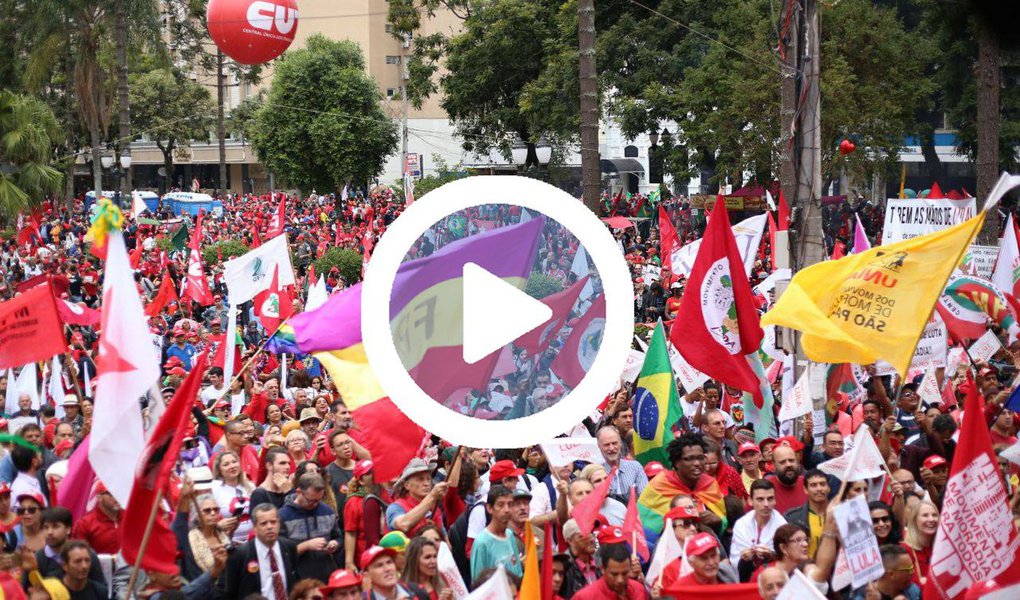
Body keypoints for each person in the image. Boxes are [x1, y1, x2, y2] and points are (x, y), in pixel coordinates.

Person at [215, 503, 300, 600]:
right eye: (264, 523)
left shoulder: (289, 547)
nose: (269, 527)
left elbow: (295, 582)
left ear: (279, 523)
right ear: (254, 527)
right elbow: (225, 593)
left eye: (273, 522)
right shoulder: (239, 555)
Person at [278, 473, 342, 581]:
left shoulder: (327, 511)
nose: (315, 504)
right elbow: (281, 553)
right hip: (298, 577)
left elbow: (338, 537)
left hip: (325, 574)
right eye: (311, 500)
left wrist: (335, 544)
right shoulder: (283, 516)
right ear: (299, 492)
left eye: (319, 500)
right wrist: (306, 546)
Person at [31, 507, 105, 586]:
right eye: (46, 527)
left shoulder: (86, 554)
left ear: (68, 529)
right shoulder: (38, 558)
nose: (50, 532)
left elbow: (100, 588)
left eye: (55, 526)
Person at [571, 532, 647, 600]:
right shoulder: (584, 597)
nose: (620, 580)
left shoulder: (639, 590)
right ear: (602, 569)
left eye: (624, 573)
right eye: (614, 574)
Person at [731, 480, 786, 574]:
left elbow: (786, 559)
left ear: (775, 500)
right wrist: (745, 558)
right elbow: (735, 559)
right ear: (750, 501)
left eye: (770, 499)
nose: (766, 504)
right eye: (760, 499)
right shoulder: (741, 524)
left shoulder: (782, 526)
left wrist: (772, 556)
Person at [470, 485, 522, 580]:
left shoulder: (510, 535)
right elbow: (478, 584)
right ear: (490, 508)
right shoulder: (482, 543)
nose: (506, 510)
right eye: (501, 505)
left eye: (510, 504)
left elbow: (518, 573)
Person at [387, 458, 448, 537]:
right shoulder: (396, 507)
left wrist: (435, 531)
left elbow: (447, 545)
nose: (426, 483)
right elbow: (403, 524)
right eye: (420, 479)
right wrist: (432, 496)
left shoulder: (435, 509)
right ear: (407, 485)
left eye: (428, 479)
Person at [782, 468, 830, 558]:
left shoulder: (839, 514)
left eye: (822, 484)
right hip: (804, 569)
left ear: (828, 488)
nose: (819, 488)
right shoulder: (792, 518)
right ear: (805, 489)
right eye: (813, 485)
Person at [210, 450, 255, 545]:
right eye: (226, 464)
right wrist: (217, 526)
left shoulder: (251, 486)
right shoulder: (213, 489)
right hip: (228, 542)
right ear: (219, 470)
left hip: (252, 541)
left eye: (234, 462)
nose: (232, 466)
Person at [852, 545, 922, 600]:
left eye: (912, 568)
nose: (912, 572)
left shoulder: (913, 591)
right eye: (908, 569)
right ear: (891, 574)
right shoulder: (864, 597)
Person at [596, 426, 647, 500]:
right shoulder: (596, 473)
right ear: (599, 446)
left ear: (620, 443)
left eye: (614, 443)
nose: (612, 448)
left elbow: (645, 497)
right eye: (607, 445)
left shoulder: (635, 467)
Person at [361, 545, 429, 600]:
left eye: (389, 562)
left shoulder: (418, 591)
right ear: (367, 575)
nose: (387, 569)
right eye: (379, 565)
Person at [70, 481, 120, 555]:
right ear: (99, 497)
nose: (117, 497)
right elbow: (78, 554)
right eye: (111, 494)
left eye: (119, 493)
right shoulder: (85, 523)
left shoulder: (129, 518)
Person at [901, 500, 939, 588]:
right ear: (914, 520)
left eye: (934, 515)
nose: (931, 519)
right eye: (925, 515)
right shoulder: (905, 550)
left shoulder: (941, 548)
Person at [766, 444, 807, 514]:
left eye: (791, 460)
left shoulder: (808, 484)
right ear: (774, 464)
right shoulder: (765, 487)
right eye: (782, 462)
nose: (788, 464)